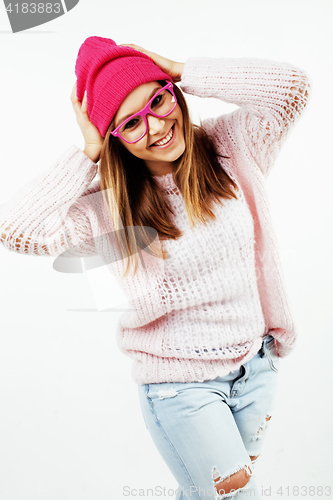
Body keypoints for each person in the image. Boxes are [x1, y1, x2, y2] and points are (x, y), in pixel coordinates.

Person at [0, 36, 310, 498]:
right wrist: (88, 151)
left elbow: (292, 89)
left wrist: (184, 68)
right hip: (182, 389)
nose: (157, 127)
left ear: (173, 92)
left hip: (256, 368)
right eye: (131, 123)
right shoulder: (109, 210)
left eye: (159, 101)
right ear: (116, 139)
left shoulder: (231, 147)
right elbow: (17, 230)